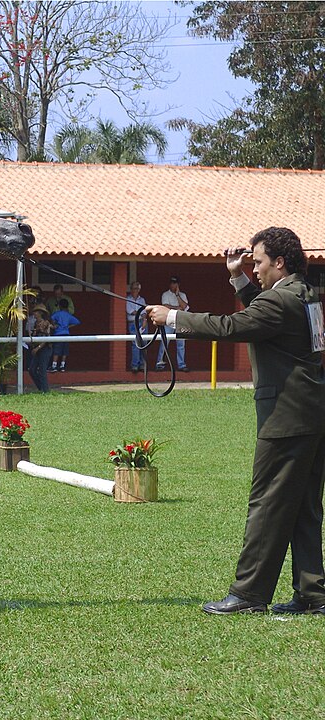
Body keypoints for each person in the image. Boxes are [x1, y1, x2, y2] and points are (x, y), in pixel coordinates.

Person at [146, 227, 325, 616]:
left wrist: (173, 316)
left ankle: (248, 595)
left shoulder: (281, 302)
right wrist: (236, 275)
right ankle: (313, 595)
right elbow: (264, 314)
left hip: (286, 418)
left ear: (279, 262)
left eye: (257, 262)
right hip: (311, 415)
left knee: (268, 504)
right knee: (304, 507)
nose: (254, 268)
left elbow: (233, 326)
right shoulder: (305, 295)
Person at [155, 276, 190, 371]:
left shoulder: (182, 295)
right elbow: (165, 307)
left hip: (180, 321)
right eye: (171, 283)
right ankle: (159, 364)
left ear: (178, 284)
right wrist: (177, 308)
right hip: (168, 321)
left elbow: (184, 306)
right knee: (164, 342)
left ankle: (181, 365)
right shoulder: (165, 294)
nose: (173, 285)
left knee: (181, 344)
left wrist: (177, 295)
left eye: (175, 283)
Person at [49, 298, 80, 372]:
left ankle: (54, 366)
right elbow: (77, 322)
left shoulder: (57, 313)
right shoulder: (68, 315)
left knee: (56, 350)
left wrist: (54, 324)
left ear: (59, 306)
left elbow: (51, 318)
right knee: (64, 351)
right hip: (66, 334)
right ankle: (62, 366)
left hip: (58, 334)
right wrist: (68, 326)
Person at [27, 304, 54, 392]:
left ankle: (45, 390)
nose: (34, 314)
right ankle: (41, 388)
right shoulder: (35, 323)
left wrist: (37, 348)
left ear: (39, 313)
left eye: (35, 312)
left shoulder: (46, 323)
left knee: (42, 370)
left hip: (44, 349)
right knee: (32, 369)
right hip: (38, 349)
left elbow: (46, 338)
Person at [125, 282, 147, 372]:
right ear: (131, 289)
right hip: (133, 323)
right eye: (134, 288)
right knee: (135, 344)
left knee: (144, 343)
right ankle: (135, 365)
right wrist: (140, 314)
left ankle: (142, 365)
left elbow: (145, 311)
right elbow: (130, 311)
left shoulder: (142, 300)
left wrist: (144, 318)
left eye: (137, 289)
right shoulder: (127, 299)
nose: (136, 290)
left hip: (142, 322)